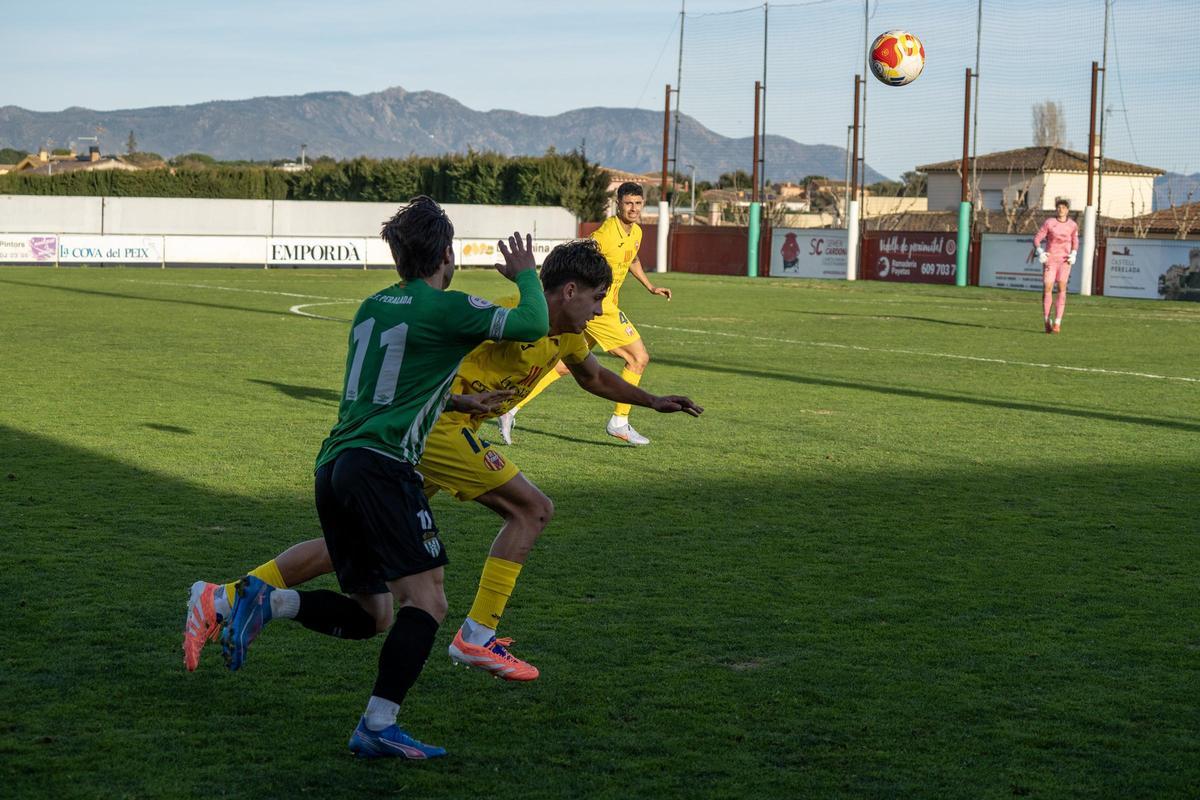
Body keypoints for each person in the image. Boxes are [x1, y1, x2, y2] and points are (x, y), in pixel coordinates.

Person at [184, 239, 703, 691]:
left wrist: (651, 399)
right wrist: (453, 398)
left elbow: (594, 378)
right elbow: (433, 351)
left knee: (355, 546)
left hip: (435, 437)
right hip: (440, 431)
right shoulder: (507, 319)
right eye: (596, 298)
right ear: (569, 291)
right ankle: (477, 635)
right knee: (533, 510)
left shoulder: (569, 335)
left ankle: (224, 597)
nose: (600, 310)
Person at [214, 197, 550, 760]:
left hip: (334, 464)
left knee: (374, 615)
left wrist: (459, 400)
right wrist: (526, 275)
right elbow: (533, 324)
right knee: (428, 600)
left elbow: (394, 384)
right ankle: (377, 724)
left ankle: (268, 602)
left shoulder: (373, 305)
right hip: (382, 465)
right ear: (446, 255)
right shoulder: (445, 307)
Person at [497, 182, 672, 446]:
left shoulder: (636, 231)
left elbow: (632, 258)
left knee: (563, 365)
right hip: (600, 308)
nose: (633, 208)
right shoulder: (604, 235)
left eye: (638, 203)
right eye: (628, 203)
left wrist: (650, 286)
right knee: (638, 357)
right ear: (618, 204)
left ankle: (511, 407)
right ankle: (619, 421)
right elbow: (579, 262)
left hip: (598, 307)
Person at [1033, 198, 1078, 334]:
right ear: (1056, 209)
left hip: (1064, 261)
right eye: (1059, 207)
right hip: (1051, 260)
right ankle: (1047, 320)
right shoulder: (1049, 222)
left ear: (1067, 210)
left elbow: (1075, 241)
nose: (1061, 210)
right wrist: (1040, 251)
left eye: (1063, 207)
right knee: (1047, 287)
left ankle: (1058, 322)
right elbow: (1037, 239)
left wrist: (1074, 254)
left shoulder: (1073, 225)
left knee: (1062, 287)